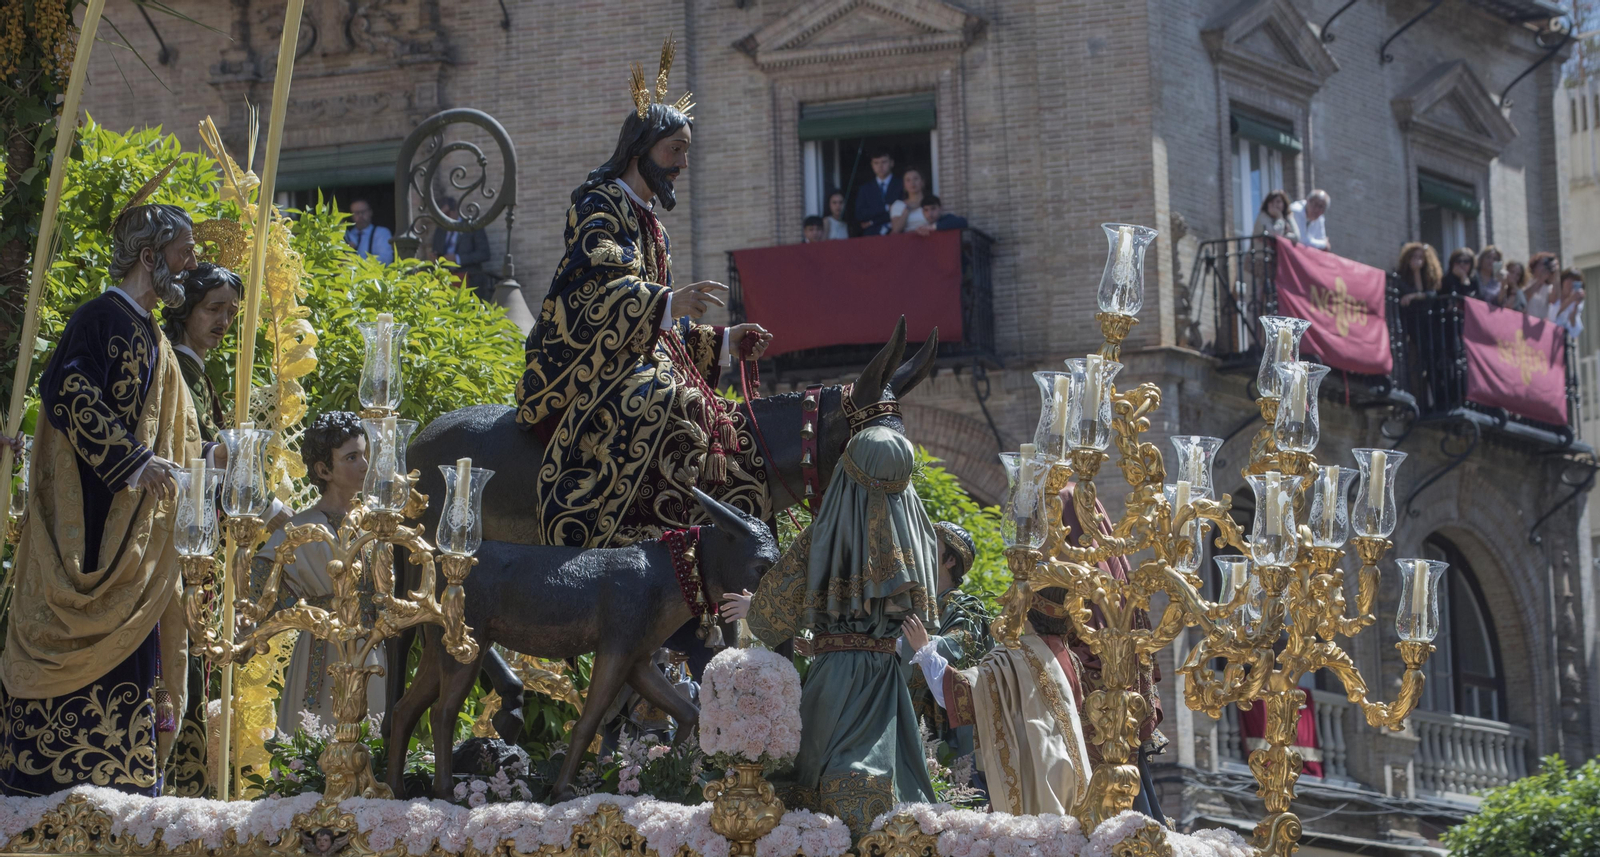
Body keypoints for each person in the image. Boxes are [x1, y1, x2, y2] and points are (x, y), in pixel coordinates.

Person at [516, 36, 773, 549]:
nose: (681, 163)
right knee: (667, 402)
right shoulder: (599, 204)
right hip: (583, 359)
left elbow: (662, 328)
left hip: (633, 355)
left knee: (714, 411)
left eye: (685, 152)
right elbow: (594, 285)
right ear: (642, 149)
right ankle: (611, 530)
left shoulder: (654, 226)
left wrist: (724, 342)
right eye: (674, 150)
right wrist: (665, 302)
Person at [0, 203, 204, 796]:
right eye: (182, 251)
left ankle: (123, 783)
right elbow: (66, 387)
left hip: (134, 541)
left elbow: (173, 429)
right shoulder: (101, 317)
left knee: (131, 661)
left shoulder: (151, 333)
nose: (191, 264)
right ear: (149, 256)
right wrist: (133, 461)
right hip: (88, 529)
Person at [721, 426, 938, 836]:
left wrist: (756, 607)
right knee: (882, 779)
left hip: (836, 676)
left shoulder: (829, 532)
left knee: (815, 783)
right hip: (883, 677)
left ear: (848, 471)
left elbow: (791, 589)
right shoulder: (920, 534)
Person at [903, 585, 1092, 816]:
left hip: (1031, 778)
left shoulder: (1012, 657)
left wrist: (924, 651)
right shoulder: (1069, 656)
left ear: (1026, 608)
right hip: (1072, 774)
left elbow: (960, 693)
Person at [252, 412, 385, 732]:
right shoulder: (300, 528)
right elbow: (259, 589)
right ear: (323, 469)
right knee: (313, 740)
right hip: (321, 652)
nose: (365, 465)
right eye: (352, 457)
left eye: (365, 454)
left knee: (372, 740)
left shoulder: (377, 524)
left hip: (372, 652)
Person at [904, 522, 993, 764]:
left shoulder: (969, 609)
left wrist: (912, 642)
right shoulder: (911, 601)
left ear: (950, 561)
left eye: (931, 544)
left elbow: (957, 645)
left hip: (947, 729)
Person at [431, 196, 494, 301]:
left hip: (469, 278)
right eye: (442, 215)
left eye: (447, 214)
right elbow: (436, 251)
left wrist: (457, 259)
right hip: (446, 281)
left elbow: (484, 253)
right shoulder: (440, 231)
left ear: (455, 210)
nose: (445, 218)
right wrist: (434, 259)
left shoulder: (471, 226)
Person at [854, 150, 903, 236]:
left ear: (891, 163)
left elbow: (902, 211)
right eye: (876, 163)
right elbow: (860, 215)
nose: (880, 166)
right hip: (871, 236)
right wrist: (886, 208)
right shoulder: (865, 189)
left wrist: (872, 222)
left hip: (897, 234)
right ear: (872, 165)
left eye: (884, 162)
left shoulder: (902, 184)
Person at [1392, 242, 1442, 307]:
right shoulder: (1401, 275)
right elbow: (1408, 291)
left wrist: (1417, 271)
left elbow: (1432, 294)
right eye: (1414, 256)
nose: (1417, 259)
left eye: (1421, 257)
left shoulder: (1428, 276)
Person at [344, 199, 393, 264]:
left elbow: (386, 259)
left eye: (363, 212)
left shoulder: (382, 233)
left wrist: (356, 264)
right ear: (351, 216)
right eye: (356, 213)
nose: (360, 215)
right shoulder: (347, 235)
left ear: (370, 212)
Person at [889, 168, 929, 234]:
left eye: (915, 179)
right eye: (908, 180)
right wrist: (907, 209)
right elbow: (896, 230)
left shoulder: (931, 202)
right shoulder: (898, 205)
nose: (912, 183)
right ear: (904, 185)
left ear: (922, 182)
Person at [1550, 268, 1586, 340]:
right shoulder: (1553, 293)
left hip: (1563, 339)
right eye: (1569, 280)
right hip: (1550, 334)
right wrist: (1570, 300)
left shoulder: (1577, 300)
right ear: (1563, 281)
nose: (1571, 284)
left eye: (1575, 281)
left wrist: (1576, 305)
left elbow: (1572, 324)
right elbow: (1552, 315)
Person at [1524, 252, 1560, 319]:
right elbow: (1524, 297)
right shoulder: (1526, 281)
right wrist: (1540, 280)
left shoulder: (1547, 287)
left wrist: (1556, 273)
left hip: (1540, 326)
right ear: (1535, 266)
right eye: (1543, 264)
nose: (1545, 267)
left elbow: (1553, 300)